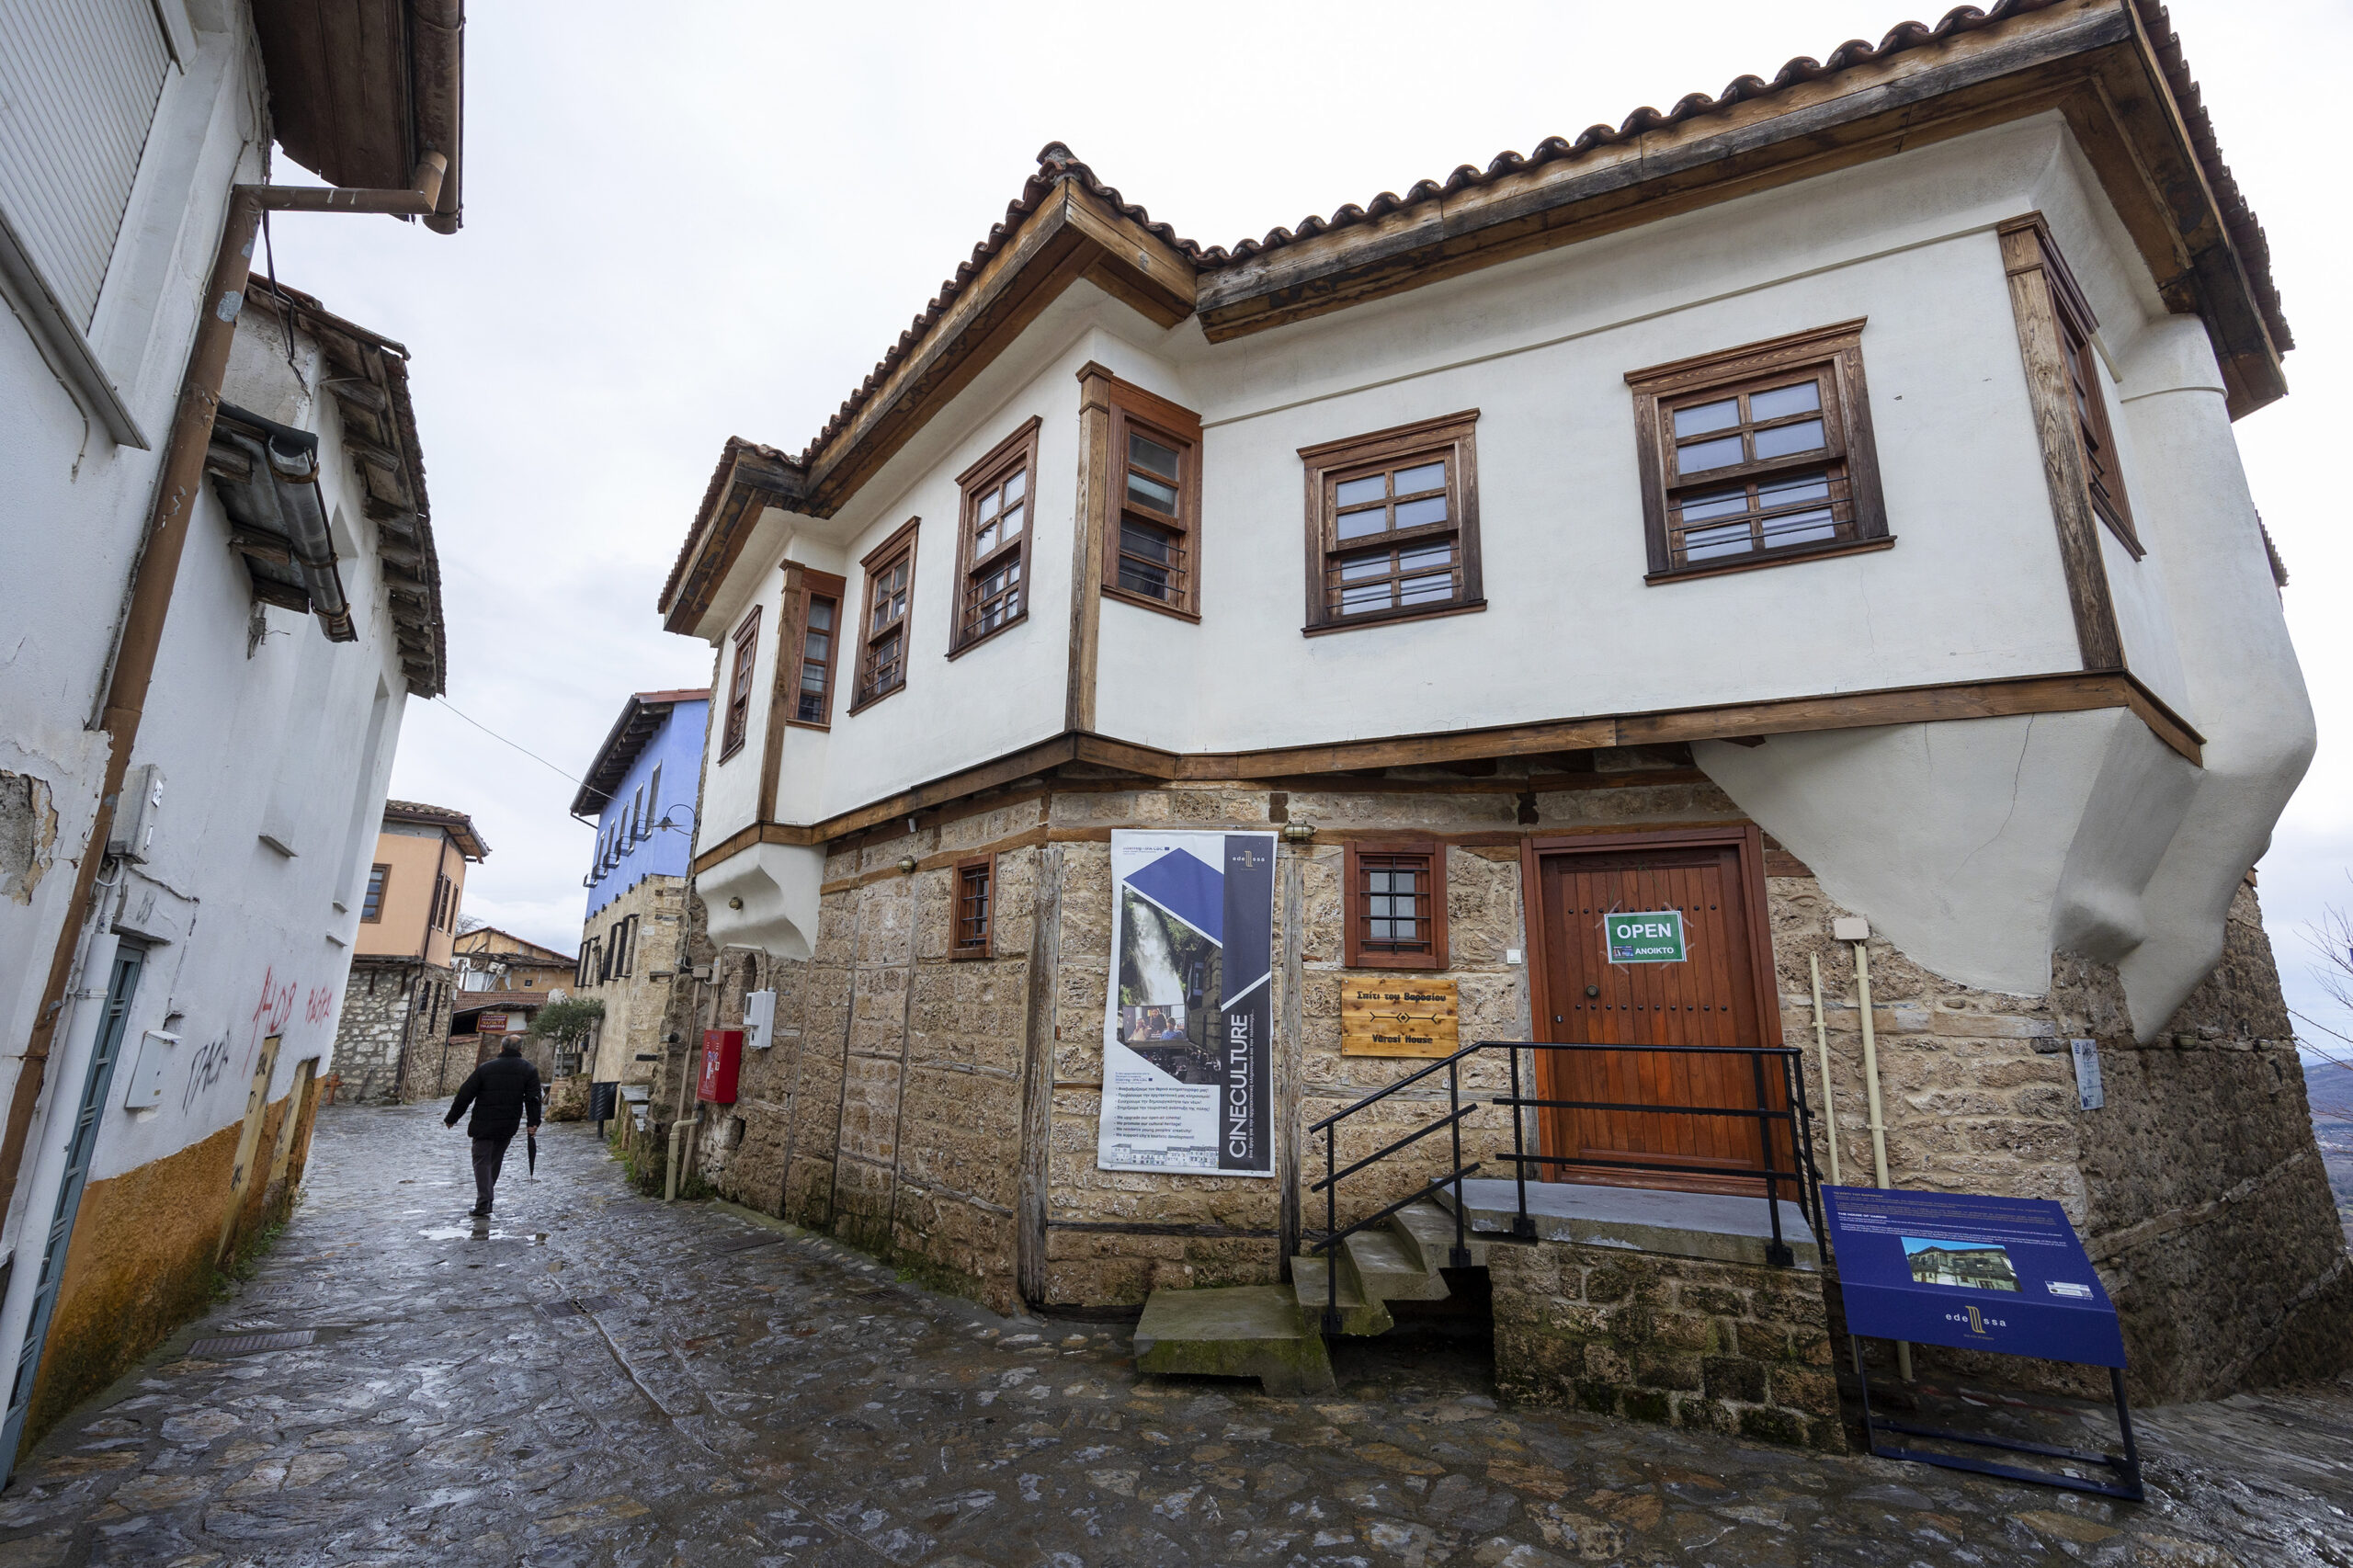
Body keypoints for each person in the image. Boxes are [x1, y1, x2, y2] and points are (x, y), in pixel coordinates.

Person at [445, 1036, 541, 1217]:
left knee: (481, 1161)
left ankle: (484, 1202)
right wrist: (533, 1123)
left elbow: (465, 1094)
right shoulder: (528, 1070)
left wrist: (452, 1117)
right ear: (520, 1050)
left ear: (502, 1048)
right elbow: (533, 1099)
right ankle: (486, 1200)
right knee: (494, 1161)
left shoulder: (486, 1068)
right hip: (508, 1123)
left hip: (484, 1122)